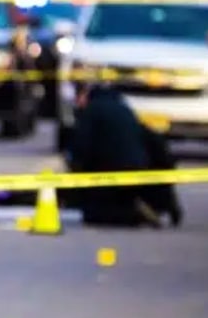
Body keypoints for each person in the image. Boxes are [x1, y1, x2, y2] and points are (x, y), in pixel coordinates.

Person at [67, 83, 164, 228]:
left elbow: (81, 145)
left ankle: (133, 214)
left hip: (110, 169)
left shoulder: (93, 110)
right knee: (119, 199)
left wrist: (75, 172)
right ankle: (135, 208)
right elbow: (151, 138)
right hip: (138, 166)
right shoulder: (124, 108)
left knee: (95, 214)